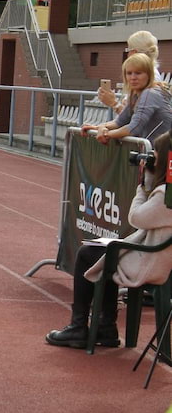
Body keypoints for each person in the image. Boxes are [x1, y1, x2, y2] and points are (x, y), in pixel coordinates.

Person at [46, 131, 172, 348]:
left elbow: (135, 217)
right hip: (153, 254)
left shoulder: (165, 196)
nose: (153, 158)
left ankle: (78, 326)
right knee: (102, 249)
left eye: (156, 154)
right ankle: (106, 327)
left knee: (87, 253)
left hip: (150, 262)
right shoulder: (165, 191)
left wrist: (143, 186)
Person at [82, 52, 172, 145]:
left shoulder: (150, 93)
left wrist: (106, 134)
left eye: (138, 73)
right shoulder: (135, 94)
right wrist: (98, 127)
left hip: (165, 152)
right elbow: (120, 121)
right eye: (129, 73)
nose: (133, 77)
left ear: (149, 74)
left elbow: (134, 128)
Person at [98, 30, 161, 115]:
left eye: (128, 50)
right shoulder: (152, 73)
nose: (132, 77)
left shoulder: (151, 76)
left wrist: (113, 103)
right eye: (129, 73)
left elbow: (135, 118)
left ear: (134, 52)